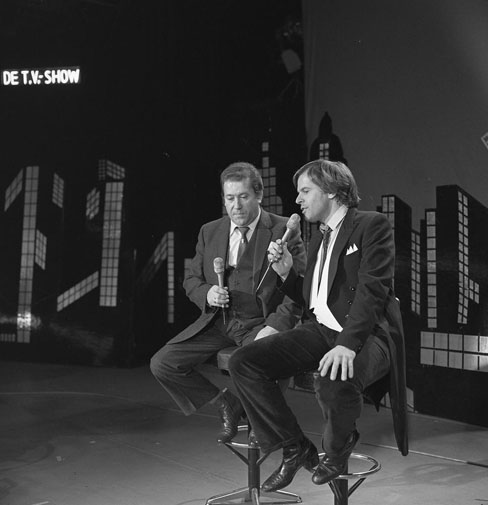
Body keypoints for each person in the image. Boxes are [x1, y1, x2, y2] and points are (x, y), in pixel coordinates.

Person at [229, 159, 408, 492]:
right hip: (321, 330)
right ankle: (294, 447)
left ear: (331, 191)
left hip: (368, 334)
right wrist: (286, 273)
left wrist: (347, 345)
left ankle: (337, 450)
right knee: (245, 361)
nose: (298, 200)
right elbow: (314, 298)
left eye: (305, 191)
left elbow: (371, 292)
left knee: (332, 378)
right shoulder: (318, 238)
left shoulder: (372, 225)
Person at [150, 161, 306, 445]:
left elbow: (299, 288)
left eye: (243, 197)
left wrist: (275, 326)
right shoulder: (209, 231)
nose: (236, 206)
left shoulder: (284, 229)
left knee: (270, 360)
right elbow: (191, 280)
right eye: (230, 198)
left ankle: (260, 419)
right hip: (219, 321)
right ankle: (227, 404)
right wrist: (207, 293)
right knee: (163, 364)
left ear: (259, 195)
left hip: (260, 323)